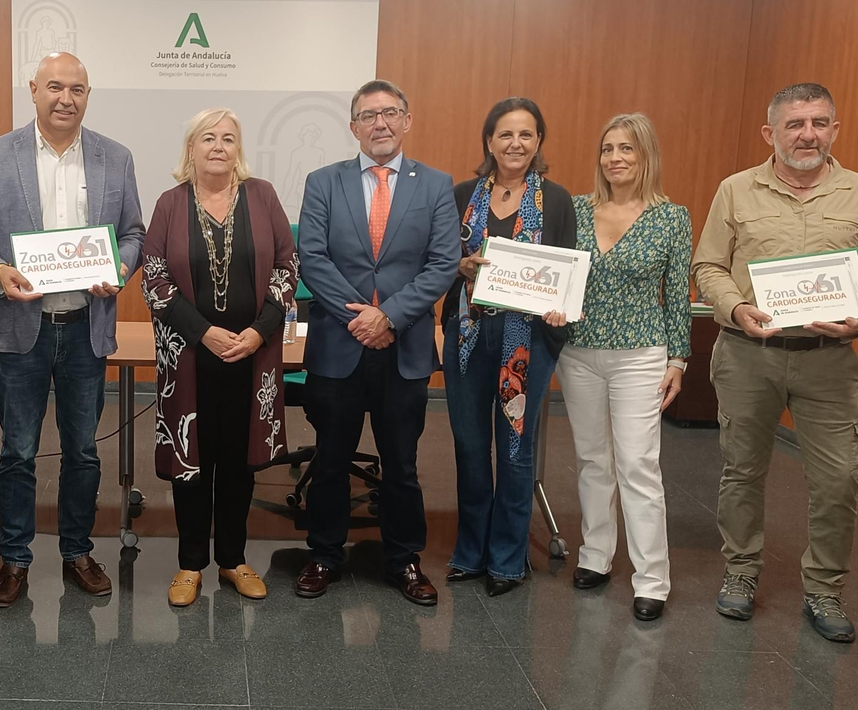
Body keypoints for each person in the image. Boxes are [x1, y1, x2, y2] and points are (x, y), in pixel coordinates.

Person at [691, 83, 858, 643]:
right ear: (771, 133)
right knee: (742, 471)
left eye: (818, 122)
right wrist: (735, 307)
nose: (807, 134)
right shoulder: (736, 190)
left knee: (839, 478)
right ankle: (740, 572)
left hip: (828, 362)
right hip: (748, 356)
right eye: (795, 124)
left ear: (834, 129)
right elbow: (708, 266)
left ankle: (825, 590)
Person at [0, 52, 145, 608]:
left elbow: (133, 234)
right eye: (56, 87)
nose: (67, 98)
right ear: (34, 90)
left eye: (78, 89)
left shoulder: (116, 156)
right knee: (17, 450)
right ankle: (14, 559)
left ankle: (77, 551)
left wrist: (120, 266)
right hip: (23, 328)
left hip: (86, 327)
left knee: (83, 451)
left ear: (88, 95)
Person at [294, 79, 459, 605]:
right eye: (368, 115)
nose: (380, 123)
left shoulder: (435, 185)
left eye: (389, 113)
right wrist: (362, 319)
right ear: (353, 127)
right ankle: (324, 554)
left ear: (407, 120)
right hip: (338, 347)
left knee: (402, 464)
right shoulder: (324, 181)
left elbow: (443, 263)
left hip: (403, 348)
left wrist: (388, 317)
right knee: (330, 460)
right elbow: (312, 257)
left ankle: (403, 559)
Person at [140, 108, 298, 607]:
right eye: (208, 138)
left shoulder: (262, 196)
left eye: (228, 138)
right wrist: (204, 333)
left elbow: (287, 266)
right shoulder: (170, 203)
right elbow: (154, 278)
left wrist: (258, 332)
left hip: (252, 356)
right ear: (191, 148)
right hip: (189, 358)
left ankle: (232, 559)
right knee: (192, 462)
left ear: (238, 149)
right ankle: (190, 564)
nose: (218, 146)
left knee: (238, 461)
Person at [555, 113, 690, 622]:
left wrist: (678, 359)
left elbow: (678, 295)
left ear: (645, 155)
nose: (615, 158)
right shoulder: (575, 209)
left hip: (641, 357)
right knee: (592, 459)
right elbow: (553, 274)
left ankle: (652, 579)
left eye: (626, 148)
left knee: (637, 465)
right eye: (608, 148)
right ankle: (595, 555)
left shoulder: (671, 218)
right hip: (578, 352)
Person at [443, 97, 576, 597]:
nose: (515, 143)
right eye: (505, 134)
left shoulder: (556, 200)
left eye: (525, 134)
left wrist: (560, 308)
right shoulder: (461, 195)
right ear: (489, 141)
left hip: (527, 341)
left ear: (538, 141)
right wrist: (458, 266)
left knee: (516, 451)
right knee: (470, 446)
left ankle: (507, 558)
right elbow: (439, 260)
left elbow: (567, 269)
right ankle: (470, 552)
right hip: (468, 334)